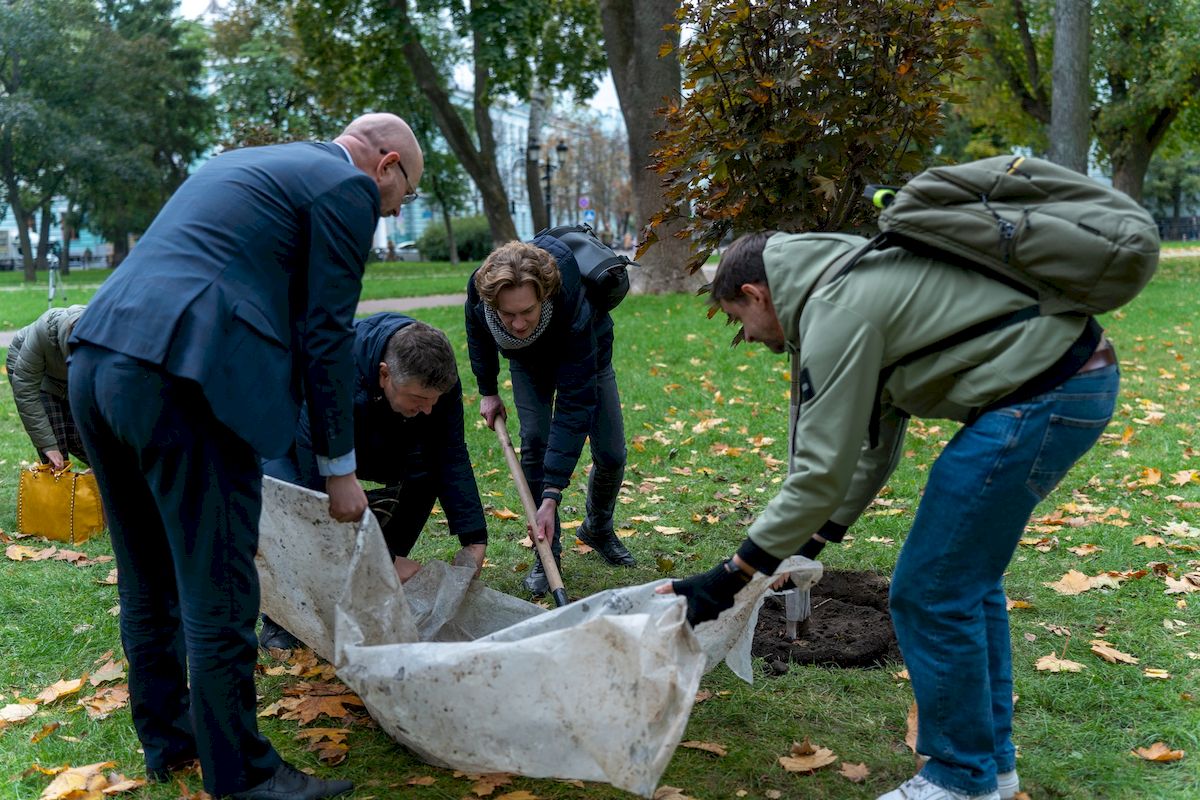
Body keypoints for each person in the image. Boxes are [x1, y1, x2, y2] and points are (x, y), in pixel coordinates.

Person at [660, 231, 1119, 800]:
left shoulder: (833, 311)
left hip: (1043, 396)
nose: (748, 336)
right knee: (968, 585)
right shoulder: (843, 282)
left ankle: (959, 779)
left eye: (739, 319)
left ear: (756, 294)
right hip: (1074, 378)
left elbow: (819, 473)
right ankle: (990, 769)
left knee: (931, 589)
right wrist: (813, 543)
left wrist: (733, 574)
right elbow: (875, 442)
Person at [67, 113, 423, 800]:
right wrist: (339, 469)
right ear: (384, 163)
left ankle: (170, 743)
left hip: (96, 358)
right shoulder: (346, 189)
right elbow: (326, 336)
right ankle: (244, 776)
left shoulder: (250, 162)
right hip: (185, 377)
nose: (398, 207)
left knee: (147, 574)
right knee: (221, 588)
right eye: (403, 188)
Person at [260, 312, 488, 649]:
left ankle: (376, 579)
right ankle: (282, 622)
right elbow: (315, 490)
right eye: (419, 400)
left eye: (433, 401)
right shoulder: (335, 370)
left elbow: (449, 453)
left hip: (376, 428)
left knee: (427, 470)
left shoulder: (435, 380)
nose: (428, 410)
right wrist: (373, 559)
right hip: (291, 437)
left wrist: (474, 537)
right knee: (295, 508)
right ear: (385, 374)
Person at [465, 239, 633, 595]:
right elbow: (478, 334)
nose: (518, 323)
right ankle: (547, 552)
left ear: (544, 296)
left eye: (527, 311)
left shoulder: (571, 303)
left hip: (586, 354)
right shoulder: (481, 294)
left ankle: (598, 527)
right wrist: (488, 390)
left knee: (612, 453)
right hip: (527, 363)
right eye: (507, 314)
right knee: (536, 440)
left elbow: (574, 406)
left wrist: (552, 493)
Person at [6, 305, 88, 469]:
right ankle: (58, 488)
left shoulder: (103, 336)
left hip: (68, 377)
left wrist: (102, 462)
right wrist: (47, 445)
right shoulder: (43, 331)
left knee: (81, 438)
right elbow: (26, 392)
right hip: (35, 375)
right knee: (56, 450)